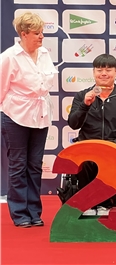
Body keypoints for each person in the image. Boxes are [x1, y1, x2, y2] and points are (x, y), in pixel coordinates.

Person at [0, 12, 57, 228]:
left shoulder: (44, 53)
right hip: (15, 116)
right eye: (36, 33)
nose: (41, 36)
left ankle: (34, 212)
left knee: (35, 165)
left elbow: (45, 83)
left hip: (41, 115)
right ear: (23, 34)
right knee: (18, 165)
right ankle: (20, 214)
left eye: (42, 32)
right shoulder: (9, 57)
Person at [66, 54, 116, 213]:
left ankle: (107, 204)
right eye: (99, 70)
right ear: (94, 72)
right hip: (88, 146)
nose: (104, 73)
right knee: (84, 160)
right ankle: (87, 204)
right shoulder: (82, 96)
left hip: (115, 147)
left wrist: (114, 148)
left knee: (112, 160)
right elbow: (73, 124)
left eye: (108, 70)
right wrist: (85, 105)